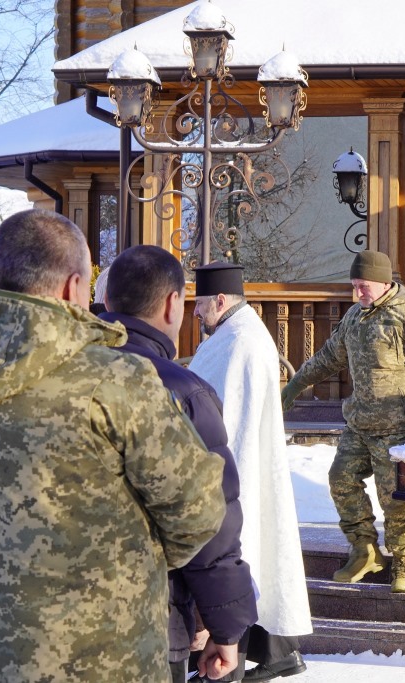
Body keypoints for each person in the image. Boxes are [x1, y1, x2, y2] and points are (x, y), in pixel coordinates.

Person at [0, 209, 227, 681]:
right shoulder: (117, 380)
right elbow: (197, 510)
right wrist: (132, 557)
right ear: (76, 287)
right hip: (101, 655)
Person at [102, 246, 258, 683]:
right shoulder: (181, 391)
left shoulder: (54, 375)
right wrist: (226, 627)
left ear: (107, 303)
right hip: (148, 621)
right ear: (174, 303)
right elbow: (208, 519)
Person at [281, 250, 405, 594]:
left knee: (395, 498)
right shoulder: (356, 316)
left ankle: (404, 562)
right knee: (340, 479)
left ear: (385, 282)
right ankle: (364, 549)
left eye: (364, 286)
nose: (357, 293)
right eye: (354, 286)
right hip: (359, 423)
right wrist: (296, 383)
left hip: (398, 426)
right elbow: (330, 356)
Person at [188, 261, 312, 681]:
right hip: (245, 471)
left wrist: (218, 487)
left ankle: (230, 664)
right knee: (257, 558)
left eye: (201, 303)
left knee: (241, 559)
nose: (195, 313)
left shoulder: (239, 341)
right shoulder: (238, 334)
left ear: (221, 301)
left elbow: (229, 422)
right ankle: (275, 652)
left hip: (235, 472)